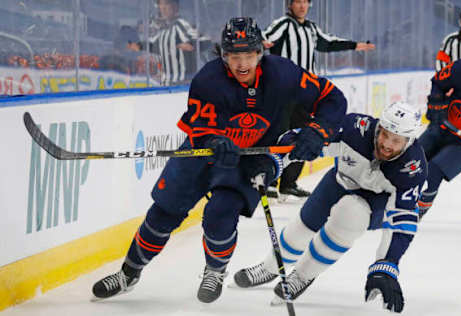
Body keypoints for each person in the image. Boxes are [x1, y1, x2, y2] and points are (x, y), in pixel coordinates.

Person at [91, 17, 347, 304]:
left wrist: (318, 130)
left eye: (248, 55)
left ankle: (215, 270)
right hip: (203, 154)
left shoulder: (283, 74)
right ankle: (129, 273)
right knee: (163, 214)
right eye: (234, 56)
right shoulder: (208, 80)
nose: (242, 64)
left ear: (260, 52)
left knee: (221, 214)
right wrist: (213, 140)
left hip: (250, 159)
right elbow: (199, 130)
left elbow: (332, 99)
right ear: (224, 55)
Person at [234, 102, 427, 313]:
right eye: (385, 134)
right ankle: (270, 267)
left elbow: (402, 221)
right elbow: (307, 140)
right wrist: (275, 160)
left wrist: (386, 266)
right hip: (339, 182)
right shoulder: (355, 129)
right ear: (379, 126)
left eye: (396, 140)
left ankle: (303, 275)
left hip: (375, 203)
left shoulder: (413, 167)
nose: (387, 144)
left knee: (349, 216)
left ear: (409, 141)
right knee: (300, 230)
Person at [263, 0, 376, 200]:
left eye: (305, 2)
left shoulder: (312, 29)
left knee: (304, 134)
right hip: (282, 90)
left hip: (307, 93)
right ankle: (270, 180)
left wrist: (355, 45)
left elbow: (329, 42)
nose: (302, 6)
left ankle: (288, 183)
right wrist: (258, 42)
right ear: (290, 5)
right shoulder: (283, 24)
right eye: (297, 2)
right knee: (278, 132)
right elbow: (265, 37)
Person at [418, 48, 461, 218]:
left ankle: (416, 213)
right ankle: (387, 198)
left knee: (433, 172)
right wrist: (435, 105)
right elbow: (438, 82)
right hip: (443, 126)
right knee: (411, 158)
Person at [150, 0, 208, 85]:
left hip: (182, 86)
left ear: (175, 7)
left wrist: (192, 45)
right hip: (165, 86)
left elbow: (205, 41)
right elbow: (152, 47)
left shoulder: (181, 25)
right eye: (160, 4)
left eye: (166, 4)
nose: (163, 8)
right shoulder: (162, 30)